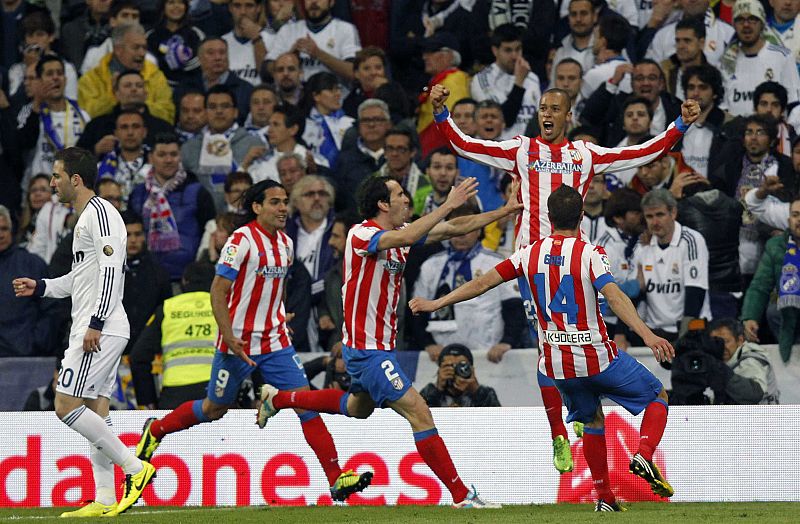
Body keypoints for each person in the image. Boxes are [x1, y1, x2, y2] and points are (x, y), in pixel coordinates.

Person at [431, 82, 700, 473]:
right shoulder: (522, 150)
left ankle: (580, 404)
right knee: (549, 347)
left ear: (568, 116)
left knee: (586, 340)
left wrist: (680, 125)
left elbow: (640, 152)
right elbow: (466, 145)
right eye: (543, 107)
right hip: (532, 265)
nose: (547, 114)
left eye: (555, 108)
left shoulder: (585, 155)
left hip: (576, 263)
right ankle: (559, 433)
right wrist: (441, 113)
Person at [257, 175, 525, 508]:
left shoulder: (400, 235)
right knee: (419, 412)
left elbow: (454, 228)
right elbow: (416, 233)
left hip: (380, 347)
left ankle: (279, 399)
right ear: (383, 204)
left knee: (356, 408)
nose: (406, 200)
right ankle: (462, 496)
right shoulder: (361, 234)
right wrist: (448, 204)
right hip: (367, 350)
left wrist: (504, 211)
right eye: (399, 195)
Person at [409, 184, 677, 512]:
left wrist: (436, 303)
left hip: (558, 365)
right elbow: (615, 295)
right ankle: (644, 454)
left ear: (549, 217)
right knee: (658, 395)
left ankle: (604, 498)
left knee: (593, 421)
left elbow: (481, 283)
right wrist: (647, 335)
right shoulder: (590, 254)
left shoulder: (528, 254)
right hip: (596, 356)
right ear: (581, 216)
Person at [135, 179, 373, 502]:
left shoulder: (286, 244)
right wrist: (228, 335)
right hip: (238, 344)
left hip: (275, 342)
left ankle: (336, 477)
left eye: (285, 202)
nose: (283, 208)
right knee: (214, 408)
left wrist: (279, 314)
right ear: (257, 207)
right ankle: (155, 430)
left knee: (305, 403)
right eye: (275, 202)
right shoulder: (241, 240)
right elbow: (218, 290)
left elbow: (277, 288)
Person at [13, 147, 155, 517]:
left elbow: (110, 271)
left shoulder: (101, 213)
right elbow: (81, 278)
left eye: (57, 176)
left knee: (65, 405)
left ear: (75, 179)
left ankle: (135, 469)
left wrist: (96, 322)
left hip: (100, 328)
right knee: (95, 408)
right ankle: (104, 497)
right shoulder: (85, 219)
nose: (52, 183)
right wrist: (42, 286)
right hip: (97, 324)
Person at [130, 262, 216, 409]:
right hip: (218, 392)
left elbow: (138, 356)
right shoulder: (226, 307)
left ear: (184, 281)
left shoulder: (167, 309)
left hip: (175, 394)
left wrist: (148, 400)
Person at [633, 189, 711, 344]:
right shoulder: (642, 245)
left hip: (690, 326)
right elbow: (636, 291)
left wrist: (685, 338)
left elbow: (695, 291)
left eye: (660, 215)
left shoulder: (691, 240)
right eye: (649, 216)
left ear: (673, 213)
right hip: (655, 330)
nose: (655, 222)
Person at [78, 23, 175, 123]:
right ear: (118, 50)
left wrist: (139, 104)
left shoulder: (155, 76)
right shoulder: (91, 79)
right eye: (136, 48)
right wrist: (114, 99)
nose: (142, 53)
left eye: (144, 48)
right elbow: (86, 115)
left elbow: (168, 113)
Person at [708, 318, 780, 404]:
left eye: (726, 341)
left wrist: (723, 374)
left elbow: (754, 394)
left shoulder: (751, 360)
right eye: (716, 342)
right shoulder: (714, 360)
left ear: (740, 340)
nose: (722, 347)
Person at [419, 343, 501, 407]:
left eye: (461, 366)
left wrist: (476, 390)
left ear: (471, 369)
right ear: (439, 370)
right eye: (449, 366)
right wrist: (437, 389)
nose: (455, 371)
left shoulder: (485, 394)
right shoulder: (428, 392)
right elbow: (419, 418)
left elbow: (496, 420)